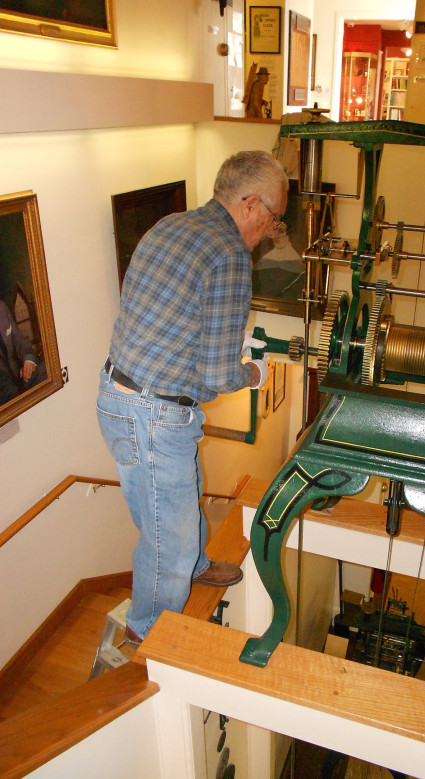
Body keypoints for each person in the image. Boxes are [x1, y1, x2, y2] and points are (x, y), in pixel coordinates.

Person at [97, 150, 289, 645]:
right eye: (272, 218)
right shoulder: (229, 255)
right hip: (155, 413)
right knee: (169, 540)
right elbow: (218, 373)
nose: (271, 231)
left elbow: (164, 316)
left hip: (116, 396)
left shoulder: (171, 224)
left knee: (169, 504)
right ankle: (148, 639)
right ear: (250, 204)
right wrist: (252, 372)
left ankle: (198, 564)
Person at [0, 298, 41, 405]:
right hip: (3, 395)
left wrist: (28, 360)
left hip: (19, 378)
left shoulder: (1, 307)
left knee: (44, 372)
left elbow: (20, 340)